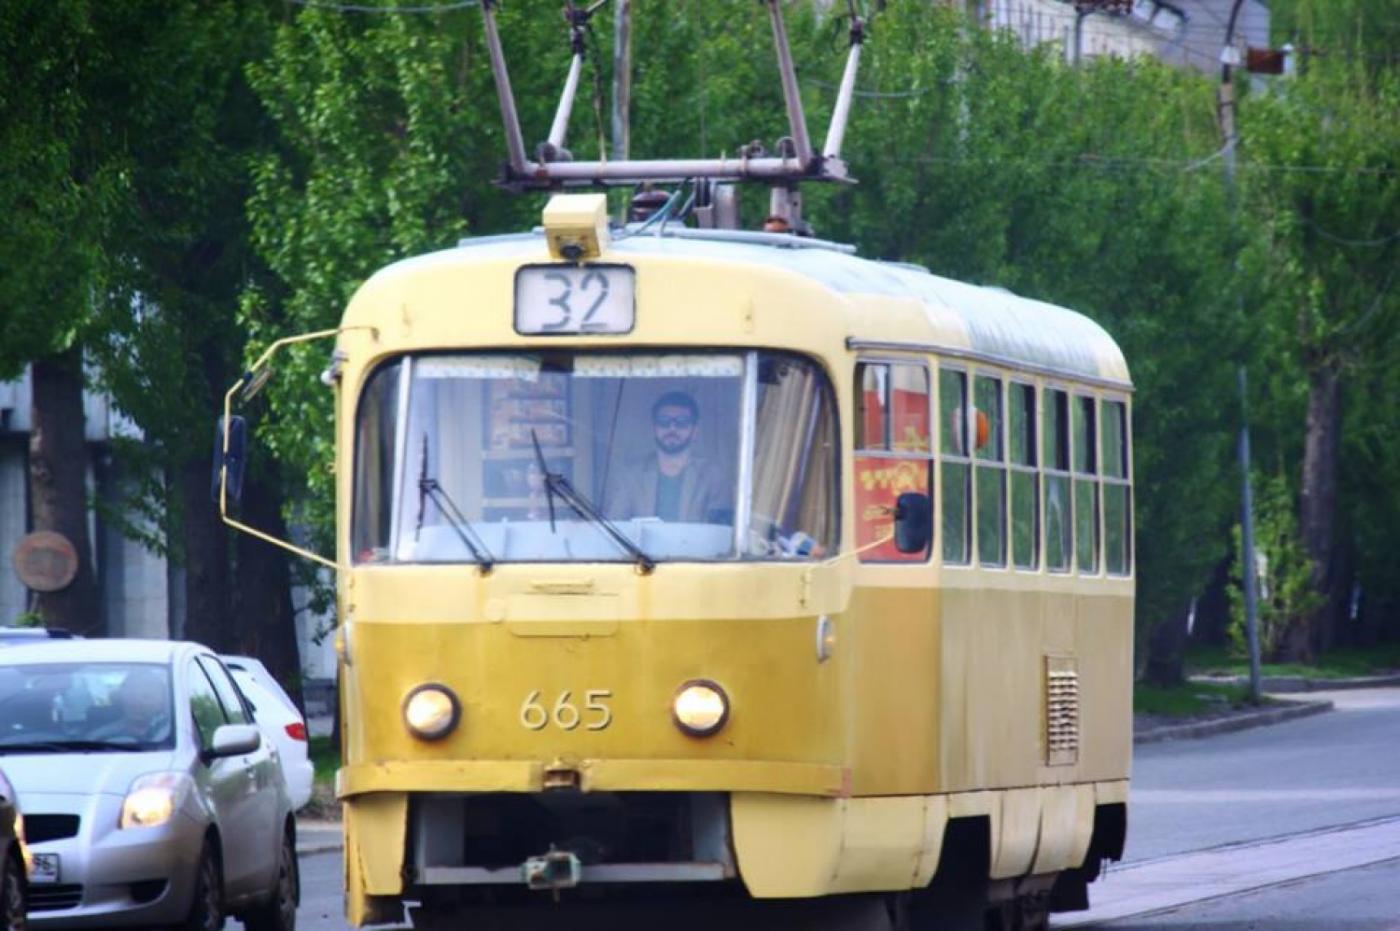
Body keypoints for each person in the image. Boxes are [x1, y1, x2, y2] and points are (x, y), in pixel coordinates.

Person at [608, 391, 730, 523]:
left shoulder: (712, 476)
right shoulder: (631, 475)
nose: (672, 428)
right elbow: (615, 524)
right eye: (664, 422)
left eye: (681, 422)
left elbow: (719, 530)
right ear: (655, 428)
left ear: (694, 430)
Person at [91, 669, 171, 745]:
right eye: (132, 695)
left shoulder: (173, 730)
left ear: (161, 702)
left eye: (146, 696)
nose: (137, 702)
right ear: (122, 699)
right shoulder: (100, 738)